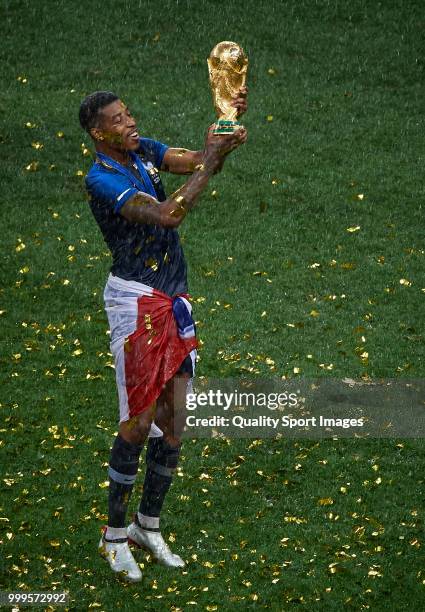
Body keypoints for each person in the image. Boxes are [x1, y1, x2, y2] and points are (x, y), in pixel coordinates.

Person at [78, 88, 247, 582]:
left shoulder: (143, 149)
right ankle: (112, 538)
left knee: (174, 422)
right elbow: (168, 213)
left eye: (129, 113)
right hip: (136, 302)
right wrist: (209, 163)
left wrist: (225, 125)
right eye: (118, 119)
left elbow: (196, 161)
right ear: (98, 133)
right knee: (137, 423)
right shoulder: (102, 180)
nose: (130, 122)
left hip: (174, 297)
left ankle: (146, 526)